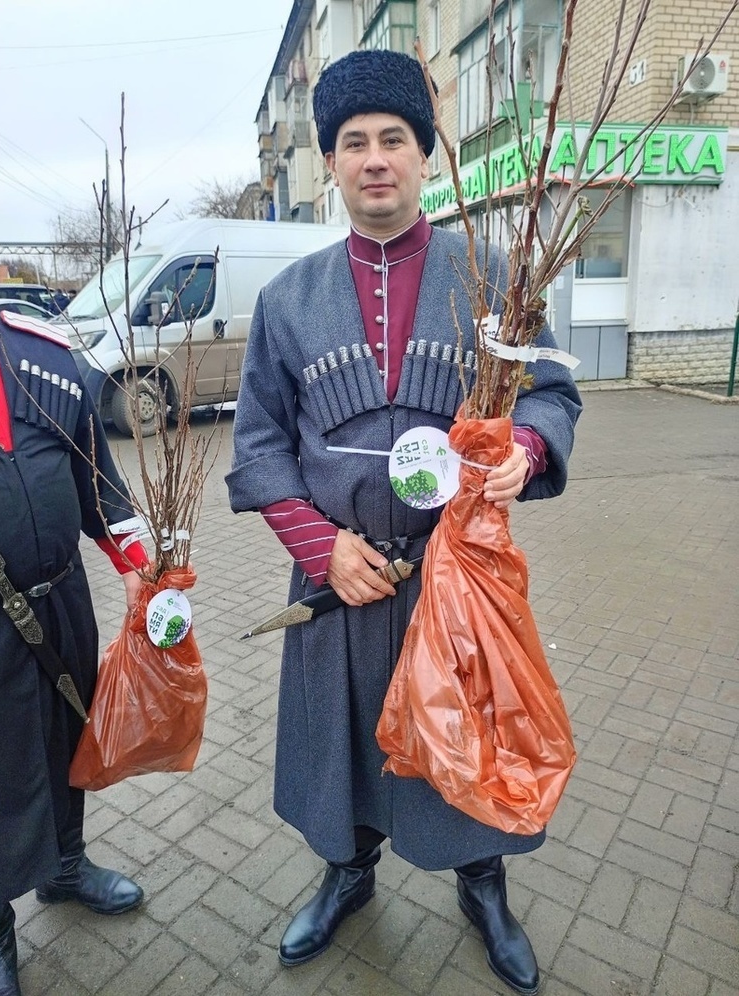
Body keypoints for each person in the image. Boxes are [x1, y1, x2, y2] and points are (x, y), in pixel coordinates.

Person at [226, 49, 582, 996]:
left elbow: (553, 396)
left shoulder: (492, 278)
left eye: (394, 139)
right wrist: (319, 546)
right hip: (335, 590)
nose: (374, 158)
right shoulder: (286, 301)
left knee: (470, 746)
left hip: (458, 589)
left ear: (425, 157)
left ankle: (483, 885)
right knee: (344, 754)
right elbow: (258, 449)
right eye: (353, 144)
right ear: (333, 165)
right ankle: (347, 876)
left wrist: (527, 454)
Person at [0, 309, 148, 996]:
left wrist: (142, 568)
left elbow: (99, 484)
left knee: (68, 740)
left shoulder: (44, 355)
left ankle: (64, 868)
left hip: (61, 601)